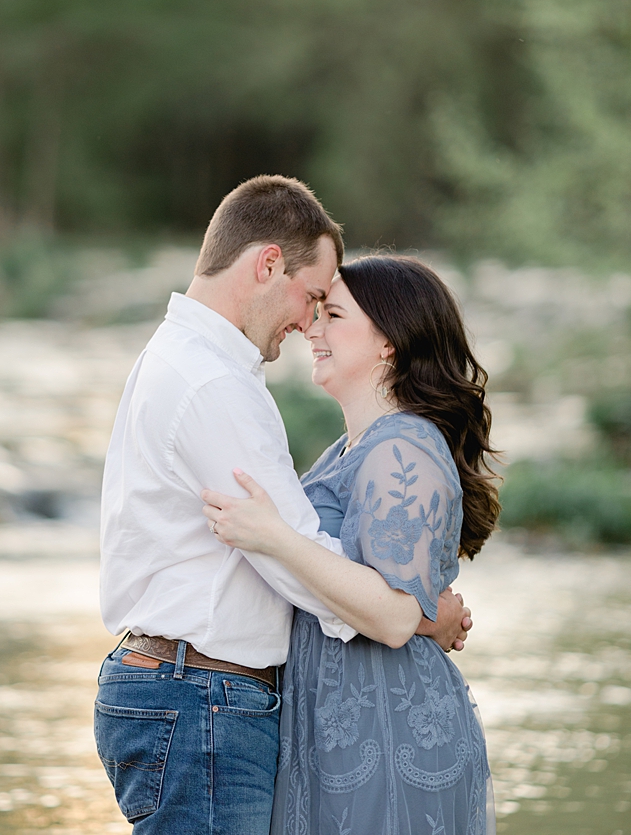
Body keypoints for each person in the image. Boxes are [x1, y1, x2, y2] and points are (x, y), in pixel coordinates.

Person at [95, 178, 472, 835]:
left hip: (190, 694)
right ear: (267, 264)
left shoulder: (189, 362)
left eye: (329, 308)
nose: (308, 322)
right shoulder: (211, 381)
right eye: (313, 297)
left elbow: (284, 544)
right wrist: (416, 615)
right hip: (200, 698)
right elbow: (291, 556)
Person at [202, 254, 499, 835]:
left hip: (389, 732)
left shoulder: (402, 449)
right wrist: (428, 617)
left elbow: (389, 616)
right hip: (340, 728)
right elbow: (390, 598)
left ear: (389, 342)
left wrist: (277, 539)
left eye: (332, 315)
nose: (311, 330)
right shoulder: (349, 448)